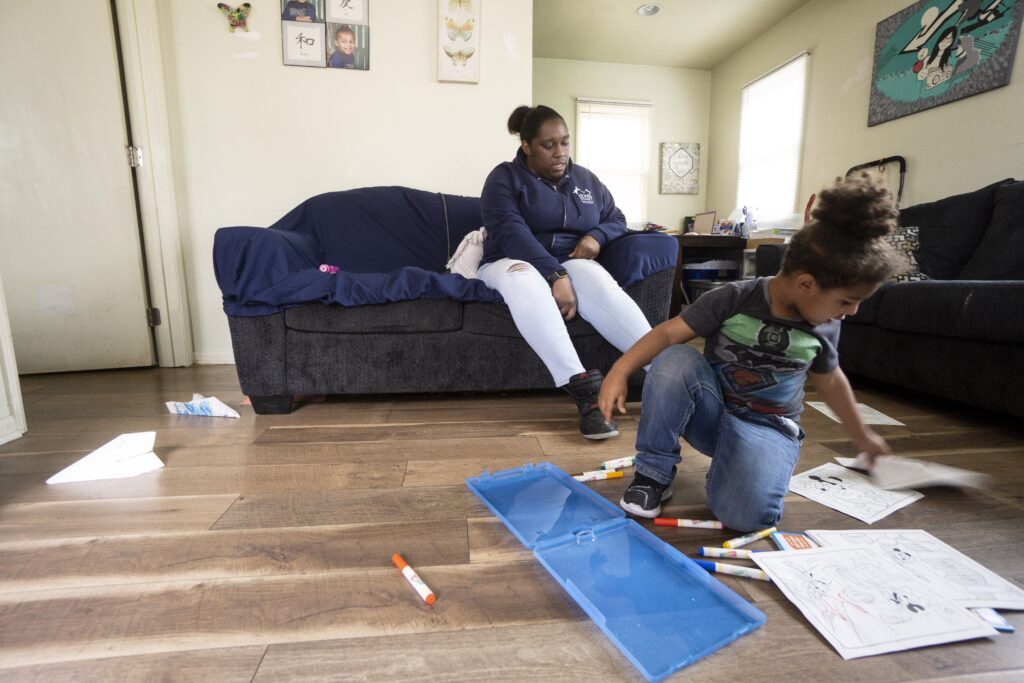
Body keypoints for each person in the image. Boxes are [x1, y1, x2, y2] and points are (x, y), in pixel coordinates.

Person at [598, 173, 901, 529]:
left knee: (747, 517)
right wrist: (619, 371)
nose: (851, 312)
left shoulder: (826, 324)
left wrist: (863, 436)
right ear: (806, 283)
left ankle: (733, 471)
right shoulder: (734, 297)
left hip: (769, 428)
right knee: (674, 360)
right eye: (847, 301)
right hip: (712, 413)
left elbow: (831, 381)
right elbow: (667, 334)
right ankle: (653, 473)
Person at [478, 105, 655, 440]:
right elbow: (511, 233)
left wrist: (595, 236)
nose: (559, 153)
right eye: (548, 145)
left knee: (597, 279)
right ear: (527, 146)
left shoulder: (586, 180)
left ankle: (664, 374)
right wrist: (555, 276)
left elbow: (615, 218)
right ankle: (585, 393)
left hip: (567, 260)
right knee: (524, 277)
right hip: (508, 261)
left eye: (565, 143)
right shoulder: (504, 178)